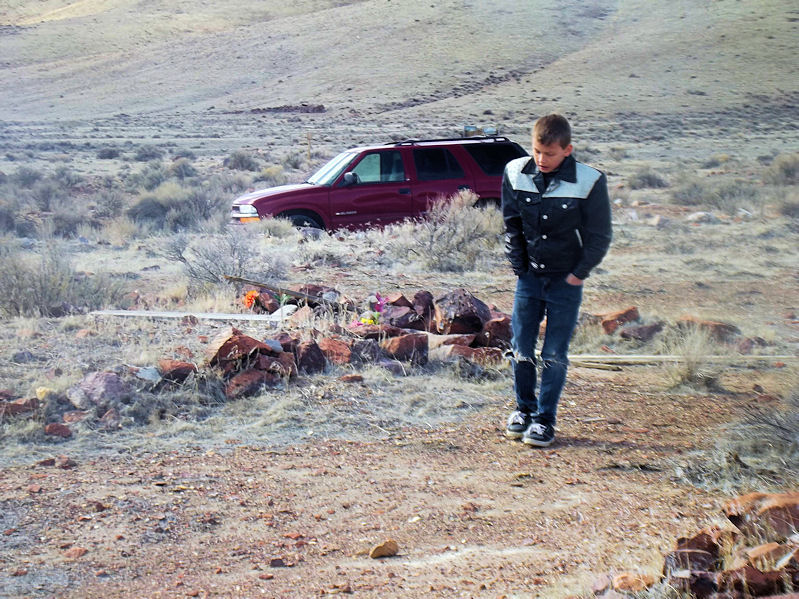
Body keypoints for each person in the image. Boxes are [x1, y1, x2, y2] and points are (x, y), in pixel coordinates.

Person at [502, 114, 612, 447]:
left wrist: (579, 274)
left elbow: (599, 235)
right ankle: (523, 410)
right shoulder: (515, 172)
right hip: (530, 279)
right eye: (536, 151)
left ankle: (544, 421)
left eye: (549, 153)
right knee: (521, 348)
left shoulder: (589, 180)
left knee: (553, 353)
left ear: (567, 150)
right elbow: (512, 225)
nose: (541, 159)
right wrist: (520, 268)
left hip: (566, 281)